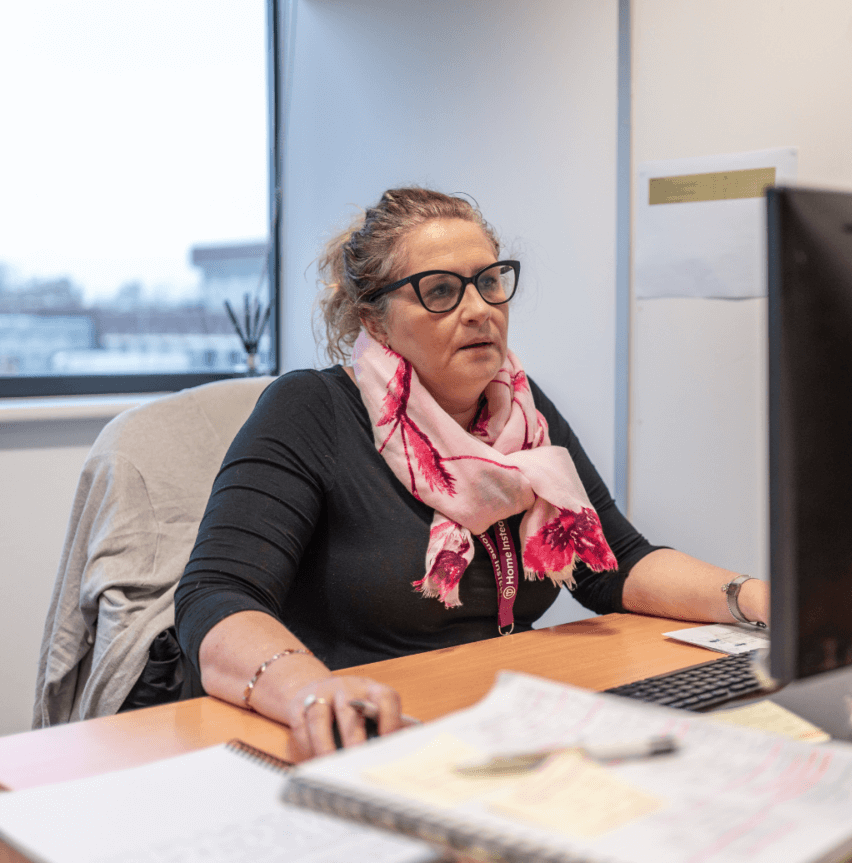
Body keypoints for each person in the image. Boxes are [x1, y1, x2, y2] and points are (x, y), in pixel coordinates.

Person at [173, 187, 769, 761]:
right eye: (440, 290)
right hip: (358, 729)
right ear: (375, 321)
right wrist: (310, 691)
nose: (480, 309)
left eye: (488, 282)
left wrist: (759, 600)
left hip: (489, 717)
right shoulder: (313, 409)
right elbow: (216, 595)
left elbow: (617, 562)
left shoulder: (522, 412)